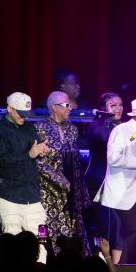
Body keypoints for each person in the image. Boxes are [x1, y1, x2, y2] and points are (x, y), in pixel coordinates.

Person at [95, 96, 136, 264]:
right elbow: (113, 159)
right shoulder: (121, 131)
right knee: (135, 229)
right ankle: (122, 270)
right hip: (121, 193)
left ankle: (134, 270)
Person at [35, 91, 91, 253]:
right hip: (48, 192)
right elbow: (38, 163)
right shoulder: (40, 128)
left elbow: (76, 162)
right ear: (54, 107)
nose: (70, 108)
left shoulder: (72, 130)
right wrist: (59, 179)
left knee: (74, 232)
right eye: (66, 105)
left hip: (70, 191)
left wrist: (82, 192)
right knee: (46, 231)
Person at [0, 92, 49, 236]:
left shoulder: (29, 128)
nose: (24, 116)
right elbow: (3, 160)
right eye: (20, 113)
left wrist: (41, 151)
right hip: (7, 195)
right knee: (12, 238)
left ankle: (40, 259)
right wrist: (29, 154)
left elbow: (35, 150)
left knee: (41, 239)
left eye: (26, 113)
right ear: (9, 108)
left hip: (32, 196)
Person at [86, 92, 124, 253]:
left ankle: (116, 259)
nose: (118, 108)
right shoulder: (97, 125)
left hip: (117, 181)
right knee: (105, 222)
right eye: (113, 105)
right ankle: (103, 257)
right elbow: (103, 140)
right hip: (99, 179)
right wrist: (107, 120)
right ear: (103, 108)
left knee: (117, 222)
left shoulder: (122, 126)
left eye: (120, 105)